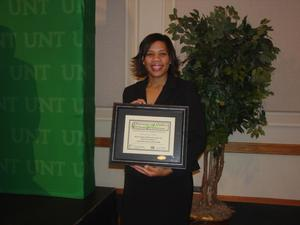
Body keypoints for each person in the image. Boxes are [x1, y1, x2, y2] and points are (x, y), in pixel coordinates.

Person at [120, 33, 206, 225]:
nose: (156, 59)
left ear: (170, 59)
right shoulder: (131, 92)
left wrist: (170, 169)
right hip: (137, 181)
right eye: (150, 54)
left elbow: (198, 137)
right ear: (143, 60)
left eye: (162, 54)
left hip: (173, 183)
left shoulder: (186, 90)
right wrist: (131, 113)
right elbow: (124, 138)